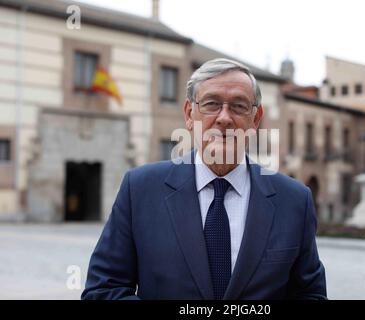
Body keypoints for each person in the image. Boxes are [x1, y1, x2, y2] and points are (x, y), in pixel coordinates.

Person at [81, 58, 327, 300]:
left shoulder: (294, 200)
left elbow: (311, 294)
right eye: (211, 104)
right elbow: (102, 290)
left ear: (256, 119)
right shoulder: (140, 190)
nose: (224, 118)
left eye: (239, 106)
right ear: (189, 114)